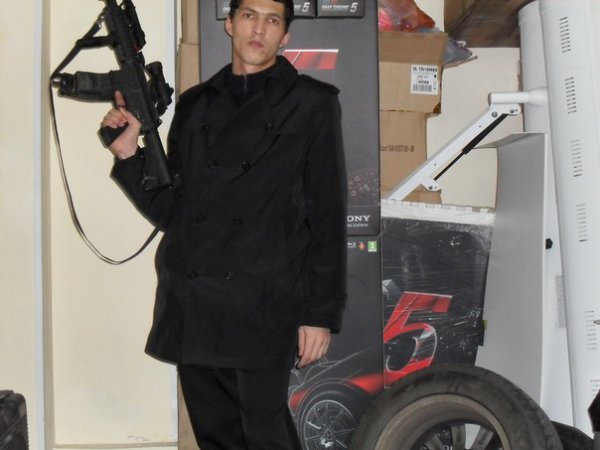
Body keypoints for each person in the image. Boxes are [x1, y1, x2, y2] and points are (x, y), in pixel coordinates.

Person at [101, 0, 347, 448]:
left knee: (266, 435)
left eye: (273, 20)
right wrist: (129, 155)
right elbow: (175, 212)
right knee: (215, 437)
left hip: (264, 302)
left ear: (285, 36)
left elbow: (327, 216)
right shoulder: (195, 105)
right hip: (195, 300)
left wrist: (319, 314)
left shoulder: (311, 104)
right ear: (230, 23)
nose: (259, 29)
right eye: (249, 15)